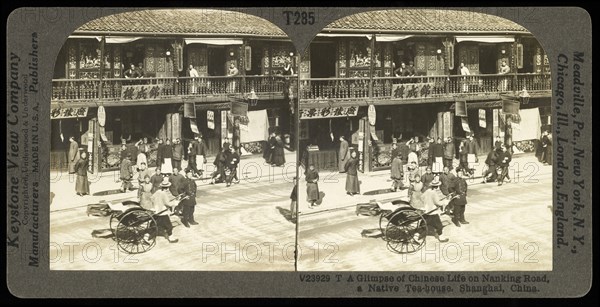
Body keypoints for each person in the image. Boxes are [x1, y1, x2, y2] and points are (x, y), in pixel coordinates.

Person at [420, 178, 449, 242]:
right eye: (438, 186)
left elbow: (422, 197)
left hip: (426, 210)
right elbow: (437, 202)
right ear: (437, 187)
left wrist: (426, 202)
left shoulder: (428, 191)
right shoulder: (434, 193)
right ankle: (441, 237)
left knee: (426, 222)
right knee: (439, 225)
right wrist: (445, 202)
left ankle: (420, 232)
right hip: (433, 211)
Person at [150, 178, 179, 243]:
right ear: (167, 187)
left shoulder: (158, 191)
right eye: (168, 187)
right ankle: (171, 238)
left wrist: (156, 204)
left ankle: (147, 236)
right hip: (163, 212)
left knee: (154, 224)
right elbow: (168, 203)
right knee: (169, 226)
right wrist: (175, 203)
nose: (168, 189)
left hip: (156, 211)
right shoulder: (164, 193)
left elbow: (151, 198)